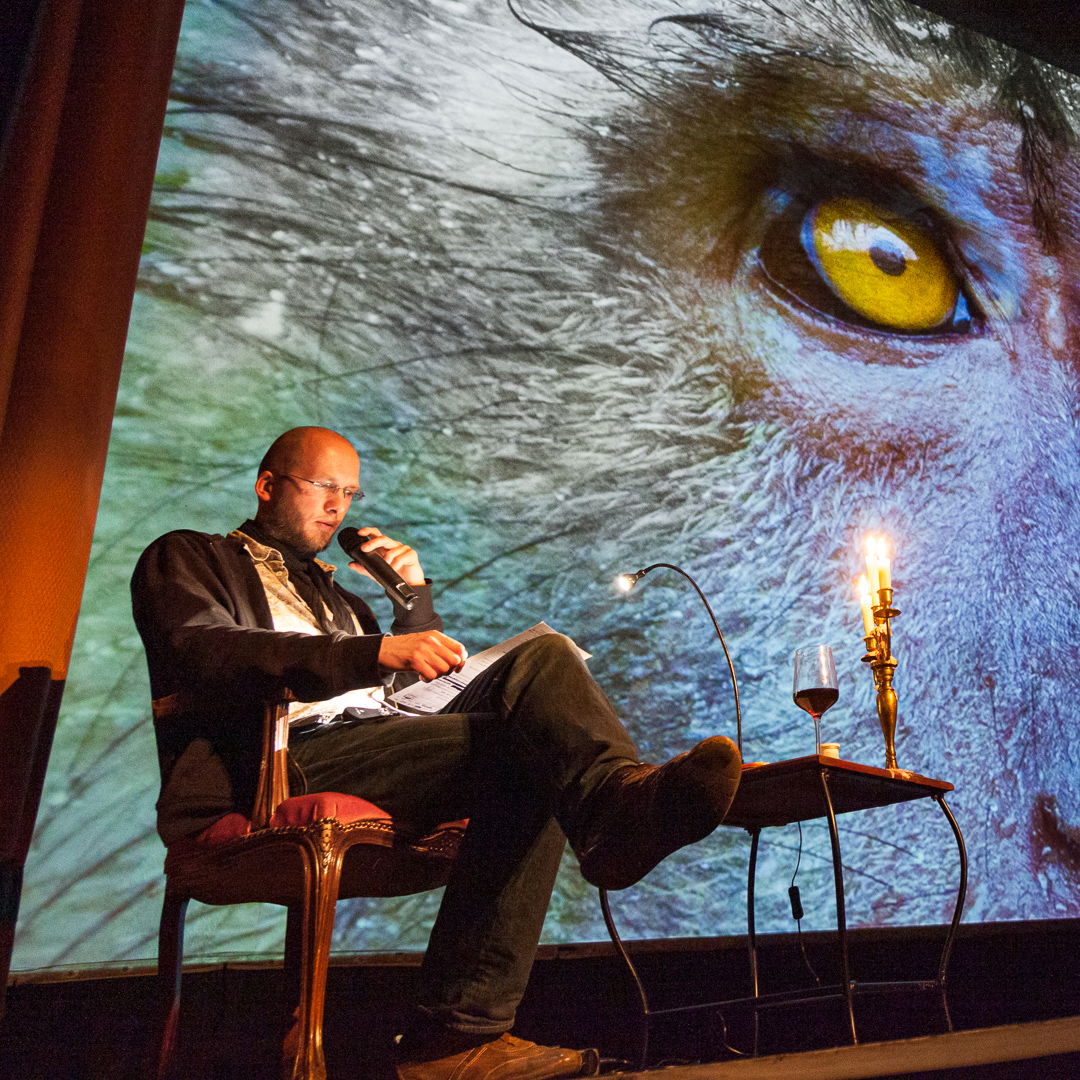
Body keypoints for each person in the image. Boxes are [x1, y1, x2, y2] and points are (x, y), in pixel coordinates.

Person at [132, 425, 742, 1080]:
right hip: (273, 762)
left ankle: (465, 1026)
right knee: (534, 748)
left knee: (545, 659)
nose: (339, 505)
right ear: (267, 485)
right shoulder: (188, 558)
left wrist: (412, 601)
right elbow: (207, 652)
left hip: (368, 744)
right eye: (324, 486)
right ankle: (607, 827)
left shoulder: (341, 599)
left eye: (350, 491)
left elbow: (398, 699)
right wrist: (371, 652)